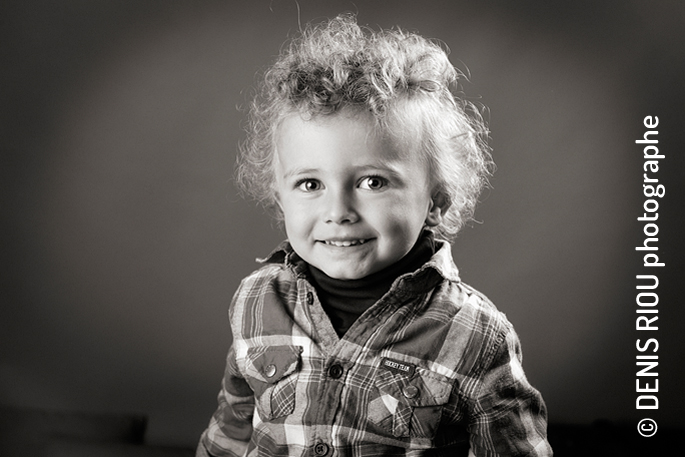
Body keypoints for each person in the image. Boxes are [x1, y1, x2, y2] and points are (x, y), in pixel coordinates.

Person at [197, 14, 552, 457]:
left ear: (436, 201)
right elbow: (231, 428)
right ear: (280, 198)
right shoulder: (256, 300)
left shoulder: (476, 336)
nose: (339, 212)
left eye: (373, 182)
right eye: (310, 185)